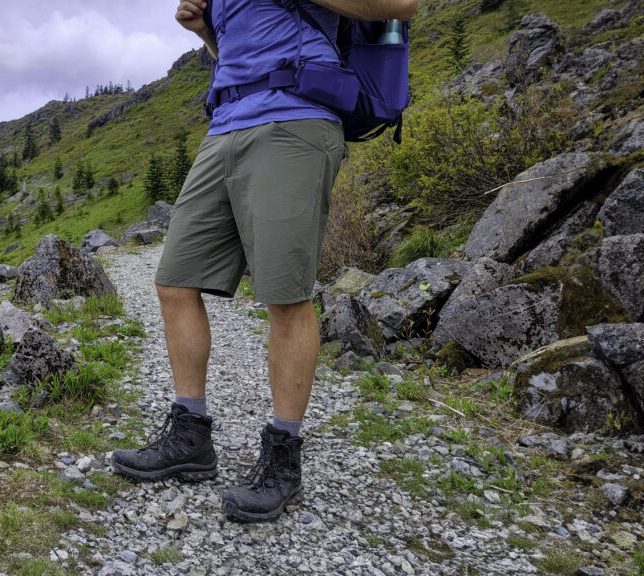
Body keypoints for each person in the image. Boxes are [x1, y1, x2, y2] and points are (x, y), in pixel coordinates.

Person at [111, 0, 419, 523]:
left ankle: (282, 456)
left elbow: (402, 5)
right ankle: (190, 436)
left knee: (285, 294)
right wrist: (207, 32)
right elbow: (239, 48)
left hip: (296, 121)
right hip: (226, 124)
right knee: (175, 282)